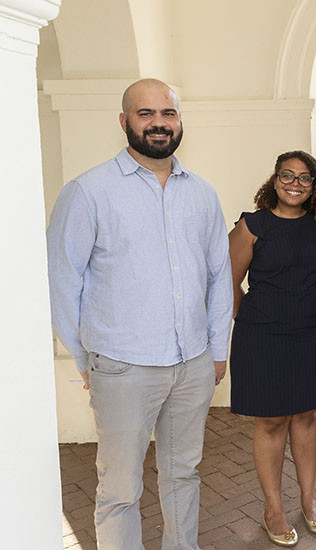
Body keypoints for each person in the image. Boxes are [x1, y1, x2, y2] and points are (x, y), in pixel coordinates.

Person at [46, 78, 232, 550]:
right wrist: (88, 358)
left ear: (179, 120)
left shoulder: (202, 194)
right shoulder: (88, 191)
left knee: (183, 474)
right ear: (124, 121)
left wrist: (216, 351)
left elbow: (218, 277)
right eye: (145, 114)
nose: (158, 123)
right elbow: (62, 281)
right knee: (120, 488)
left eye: (166, 113)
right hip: (123, 366)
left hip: (192, 364)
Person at [228, 150, 316, 547]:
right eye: (287, 176)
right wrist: (252, 320)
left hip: (311, 329)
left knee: (307, 416)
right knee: (272, 421)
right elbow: (228, 282)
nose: (294, 183)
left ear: (315, 186)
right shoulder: (252, 225)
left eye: (304, 177)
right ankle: (273, 508)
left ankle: (309, 501)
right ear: (274, 181)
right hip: (263, 335)